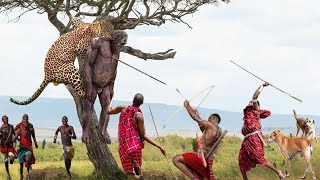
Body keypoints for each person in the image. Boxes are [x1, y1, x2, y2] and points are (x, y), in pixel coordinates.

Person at [82, 30, 128, 143]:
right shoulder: (99, 43)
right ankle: (85, 130)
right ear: (116, 37)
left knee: (107, 108)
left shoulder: (117, 51)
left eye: (124, 43)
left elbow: (114, 69)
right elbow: (88, 65)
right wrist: (88, 84)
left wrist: (112, 85)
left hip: (106, 84)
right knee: (87, 106)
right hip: (93, 82)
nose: (122, 45)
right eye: (122, 42)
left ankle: (103, 130)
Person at [107, 93, 166, 180]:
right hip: (135, 146)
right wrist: (159, 147)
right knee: (138, 170)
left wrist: (109, 107)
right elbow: (144, 136)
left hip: (124, 146)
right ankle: (139, 178)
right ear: (141, 103)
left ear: (133, 100)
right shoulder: (139, 116)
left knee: (129, 173)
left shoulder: (122, 108)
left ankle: (138, 178)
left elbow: (109, 112)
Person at [238, 82, 285, 180]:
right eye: (250, 102)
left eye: (252, 102)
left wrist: (262, 86)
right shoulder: (247, 115)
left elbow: (254, 96)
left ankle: (279, 172)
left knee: (259, 158)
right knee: (241, 159)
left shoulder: (255, 111)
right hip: (247, 141)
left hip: (255, 138)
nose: (250, 102)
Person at [172, 100, 222, 180]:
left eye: (208, 119)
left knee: (176, 159)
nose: (207, 120)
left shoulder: (211, 125)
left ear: (212, 118)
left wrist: (187, 106)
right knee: (204, 177)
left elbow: (197, 119)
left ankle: (194, 179)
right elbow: (204, 132)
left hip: (201, 157)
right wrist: (194, 112)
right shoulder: (218, 130)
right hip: (208, 158)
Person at [13, 114, 38, 180]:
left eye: (26, 118)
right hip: (21, 147)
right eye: (24, 118)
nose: (25, 119)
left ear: (28, 119)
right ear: (22, 119)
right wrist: (16, 138)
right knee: (21, 165)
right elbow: (13, 132)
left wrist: (35, 143)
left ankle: (28, 174)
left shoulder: (31, 126)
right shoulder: (19, 126)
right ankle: (21, 176)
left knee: (27, 159)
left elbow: (33, 135)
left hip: (28, 147)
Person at [0, 115, 16, 180]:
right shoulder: (1, 128)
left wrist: (15, 138)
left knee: (12, 157)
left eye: (7, 118)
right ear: (2, 120)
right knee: (5, 161)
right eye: (4, 119)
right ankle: (8, 174)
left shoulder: (11, 126)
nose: (6, 119)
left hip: (9, 145)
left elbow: (14, 134)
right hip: (3, 146)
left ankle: (11, 160)